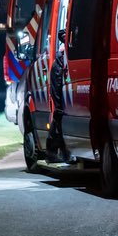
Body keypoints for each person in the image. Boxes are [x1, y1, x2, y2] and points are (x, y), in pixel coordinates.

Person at [46, 29, 70, 162]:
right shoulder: (60, 60)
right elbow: (57, 83)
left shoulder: (61, 57)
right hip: (59, 95)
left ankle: (57, 153)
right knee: (58, 122)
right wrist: (59, 104)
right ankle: (53, 153)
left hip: (60, 95)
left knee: (58, 122)